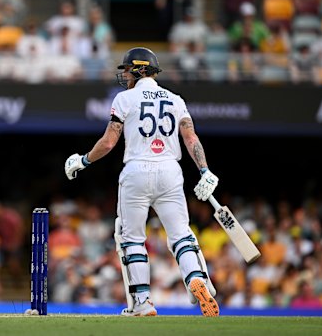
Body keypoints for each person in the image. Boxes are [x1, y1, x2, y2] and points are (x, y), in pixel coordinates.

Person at [64, 47, 220, 317]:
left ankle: (143, 302)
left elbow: (109, 141)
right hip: (171, 170)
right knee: (181, 234)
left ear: (139, 69)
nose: (124, 75)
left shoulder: (125, 99)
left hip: (137, 170)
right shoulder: (176, 99)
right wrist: (204, 170)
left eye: (126, 70)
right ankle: (196, 277)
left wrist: (84, 160)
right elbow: (191, 139)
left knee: (132, 239)